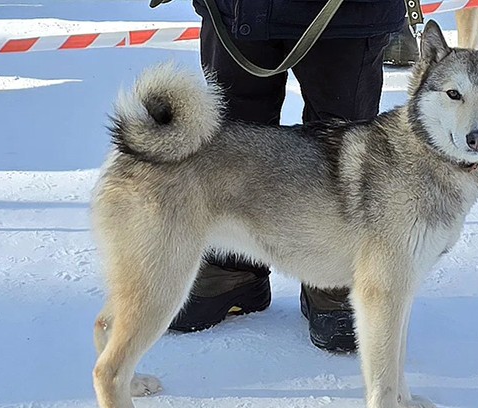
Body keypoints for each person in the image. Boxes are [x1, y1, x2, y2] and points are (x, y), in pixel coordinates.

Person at [150, 0, 406, 352]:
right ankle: (233, 267)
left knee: (340, 150)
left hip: (345, 15)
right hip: (237, 10)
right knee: (232, 143)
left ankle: (332, 281)